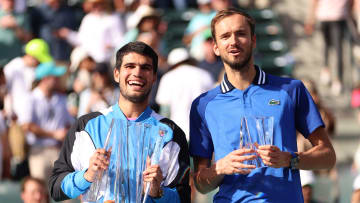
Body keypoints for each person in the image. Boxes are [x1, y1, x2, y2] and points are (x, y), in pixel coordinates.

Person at [189, 8, 336, 202]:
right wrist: (220, 167)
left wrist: (291, 159)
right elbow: (200, 183)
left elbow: (327, 156)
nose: (233, 41)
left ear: (254, 40)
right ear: (216, 46)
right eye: (225, 36)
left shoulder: (291, 90)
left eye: (240, 34)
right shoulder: (203, 105)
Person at [49, 41, 190, 202]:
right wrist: (87, 175)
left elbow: (184, 198)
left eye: (145, 68)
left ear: (154, 77)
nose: (137, 73)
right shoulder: (86, 126)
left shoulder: (170, 133)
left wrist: (157, 193)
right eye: (129, 66)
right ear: (116, 74)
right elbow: (56, 188)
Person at [20, 62, 74, 183]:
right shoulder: (30, 98)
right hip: (39, 151)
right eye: (55, 77)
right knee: (41, 193)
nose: (58, 79)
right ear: (45, 78)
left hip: (59, 151)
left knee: (66, 194)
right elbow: (26, 126)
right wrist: (54, 134)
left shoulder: (61, 99)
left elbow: (69, 122)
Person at [156, 47, 214, 139]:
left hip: (177, 132)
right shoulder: (205, 75)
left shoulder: (168, 77)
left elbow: (165, 111)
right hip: (203, 132)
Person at [304, 0, 352, 95]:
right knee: (327, 46)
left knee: (338, 50)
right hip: (325, 17)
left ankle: (338, 79)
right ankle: (326, 70)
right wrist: (311, 19)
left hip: (338, 17)